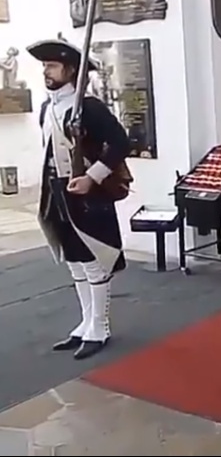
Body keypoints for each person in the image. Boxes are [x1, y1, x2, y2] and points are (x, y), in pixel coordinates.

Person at [28, 38, 130, 360]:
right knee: (74, 261)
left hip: (88, 194)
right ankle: (86, 322)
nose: (47, 71)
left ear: (70, 70)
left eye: (52, 66)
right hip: (58, 193)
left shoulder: (90, 107)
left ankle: (100, 326)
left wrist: (92, 177)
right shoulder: (48, 107)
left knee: (94, 261)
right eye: (45, 66)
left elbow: (120, 143)